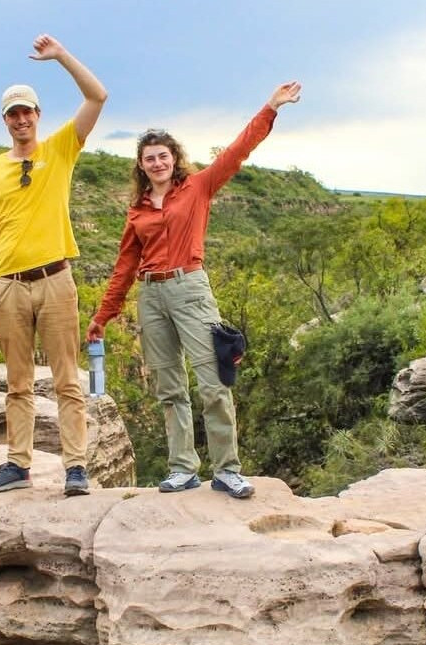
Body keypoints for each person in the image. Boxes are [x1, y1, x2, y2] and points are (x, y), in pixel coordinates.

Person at [86, 81, 302, 499]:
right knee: (169, 387)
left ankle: (228, 470)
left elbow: (237, 151)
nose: (157, 163)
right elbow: (125, 267)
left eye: (163, 156)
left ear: (174, 158)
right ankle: (183, 468)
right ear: (141, 165)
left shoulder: (198, 187)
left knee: (213, 382)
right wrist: (103, 315)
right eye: (149, 158)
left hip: (190, 288)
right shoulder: (138, 210)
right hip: (151, 296)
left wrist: (270, 107)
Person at [0, 33, 107, 497]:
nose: (22, 119)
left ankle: (75, 467)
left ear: (38, 116)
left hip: (55, 278)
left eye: (27, 111)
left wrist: (62, 56)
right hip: (9, 284)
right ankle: (18, 464)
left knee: (68, 378)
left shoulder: (60, 149)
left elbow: (97, 96)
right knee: (18, 382)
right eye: (14, 113)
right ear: (5, 120)